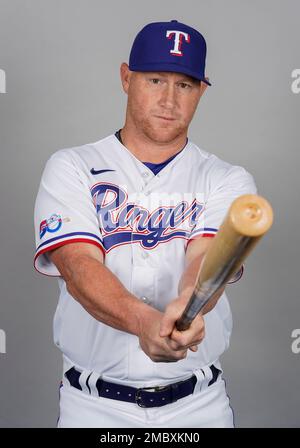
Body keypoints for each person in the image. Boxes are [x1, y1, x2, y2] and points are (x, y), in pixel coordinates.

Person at [34, 19, 256, 428]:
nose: (169, 99)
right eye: (155, 79)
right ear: (126, 77)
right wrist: (144, 322)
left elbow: (206, 258)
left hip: (198, 407)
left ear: (201, 92)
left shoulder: (227, 179)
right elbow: (79, 267)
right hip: (94, 408)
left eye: (185, 85)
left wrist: (187, 307)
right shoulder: (73, 167)